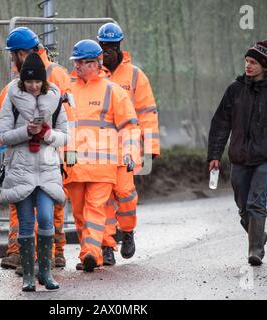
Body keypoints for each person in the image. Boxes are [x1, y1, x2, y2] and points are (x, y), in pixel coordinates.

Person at [0, 26, 75, 271]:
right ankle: (21, 254)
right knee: (22, 204)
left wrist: (68, 148)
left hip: (51, 154)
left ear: (23, 52)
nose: (12, 59)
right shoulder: (15, 84)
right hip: (24, 154)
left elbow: (69, 117)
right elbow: (0, 119)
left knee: (49, 207)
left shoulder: (56, 75)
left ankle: (52, 253)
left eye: (14, 54)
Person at [207, 39, 267, 266]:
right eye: (246, 61)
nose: (248, 65)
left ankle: (255, 250)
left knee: (256, 203)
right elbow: (220, 124)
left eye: (253, 62)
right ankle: (258, 234)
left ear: (264, 65)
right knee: (243, 205)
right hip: (238, 158)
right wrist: (215, 155)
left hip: (264, 158)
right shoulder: (234, 90)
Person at [64, 39, 140, 272]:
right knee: (79, 213)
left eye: (82, 63)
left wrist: (129, 153)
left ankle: (91, 253)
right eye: (76, 62)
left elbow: (129, 126)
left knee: (96, 209)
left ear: (96, 64)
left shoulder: (112, 91)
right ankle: (92, 252)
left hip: (102, 164)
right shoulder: (67, 90)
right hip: (74, 165)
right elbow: (61, 126)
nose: (77, 66)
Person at [0, 53, 68, 291]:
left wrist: (48, 135)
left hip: (47, 169)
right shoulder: (11, 97)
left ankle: (45, 273)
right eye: (29, 82)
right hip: (21, 170)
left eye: (37, 81)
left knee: (47, 218)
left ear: (44, 81)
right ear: (22, 81)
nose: (34, 86)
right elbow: (3, 135)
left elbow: (65, 134)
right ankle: (28, 276)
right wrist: (26, 132)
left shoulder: (56, 99)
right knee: (26, 223)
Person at [96, 22, 160, 265]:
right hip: (99, 150)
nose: (107, 52)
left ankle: (128, 230)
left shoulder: (135, 75)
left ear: (120, 46)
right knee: (102, 200)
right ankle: (107, 247)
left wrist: (151, 147)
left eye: (111, 47)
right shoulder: (93, 75)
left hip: (126, 148)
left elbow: (147, 113)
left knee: (125, 194)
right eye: (103, 47)